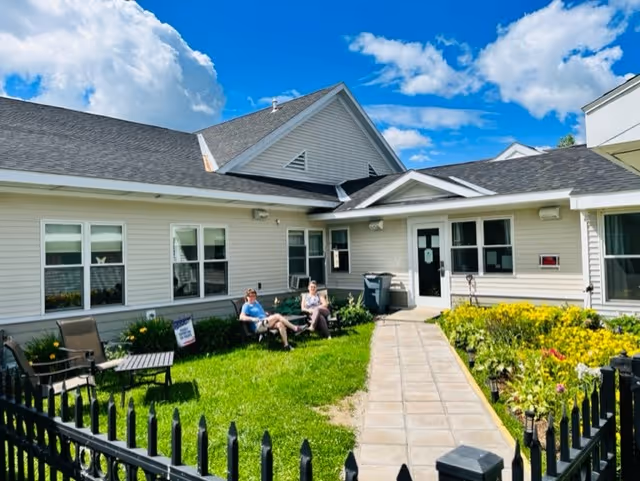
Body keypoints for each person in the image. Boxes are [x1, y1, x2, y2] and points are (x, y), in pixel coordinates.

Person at [240, 288, 306, 351]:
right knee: (277, 315)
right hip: (258, 325)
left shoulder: (256, 303)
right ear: (247, 297)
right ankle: (295, 328)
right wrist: (253, 318)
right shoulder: (246, 305)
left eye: (254, 296)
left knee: (280, 324)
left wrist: (265, 313)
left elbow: (260, 312)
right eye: (250, 296)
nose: (252, 298)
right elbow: (241, 317)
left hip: (265, 322)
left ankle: (286, 345)